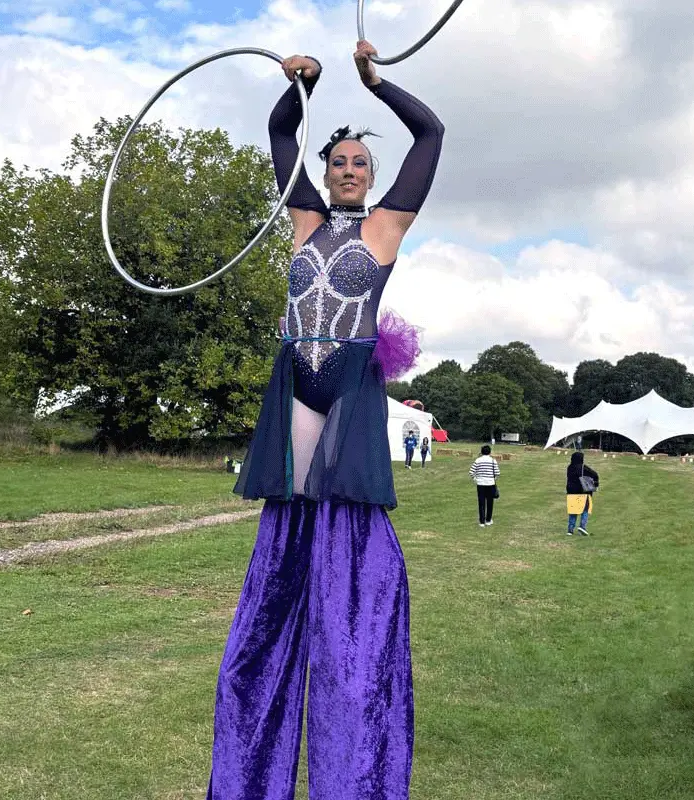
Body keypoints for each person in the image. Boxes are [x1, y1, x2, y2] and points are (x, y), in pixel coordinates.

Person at [206, 40, 444, 800]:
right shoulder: (303, 219)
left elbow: (431, 134)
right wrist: (299, 86)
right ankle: (254, 762)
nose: (346, 169)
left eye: (357, 164)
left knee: (347, 556)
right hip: (293, 393)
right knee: (282, 558)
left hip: (346, 396)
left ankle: (354, 739)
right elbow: (282, 135)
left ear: (372, 179)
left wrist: (376, 84)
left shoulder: (386, 230)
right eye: (338, 160)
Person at [566, 451, 599, 535]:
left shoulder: (569, 467)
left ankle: (570, 530)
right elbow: (595, 474)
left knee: (573, 511)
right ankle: (582, 527)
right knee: (585, 509)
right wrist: (596, 483)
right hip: (582, 492)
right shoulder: (583, 468)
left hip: (571, 492)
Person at [469, 444, 500, 527]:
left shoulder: (478, 460)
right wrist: (493, 480)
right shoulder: (493, 461)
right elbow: (497, 473)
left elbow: (471, 472)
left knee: (481, 502)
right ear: (490, 452)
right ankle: (488, 520)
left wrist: (476, 479)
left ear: (481, 452)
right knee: (490, 502)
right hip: (490, 484)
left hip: (480, 484)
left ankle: (482, 522)